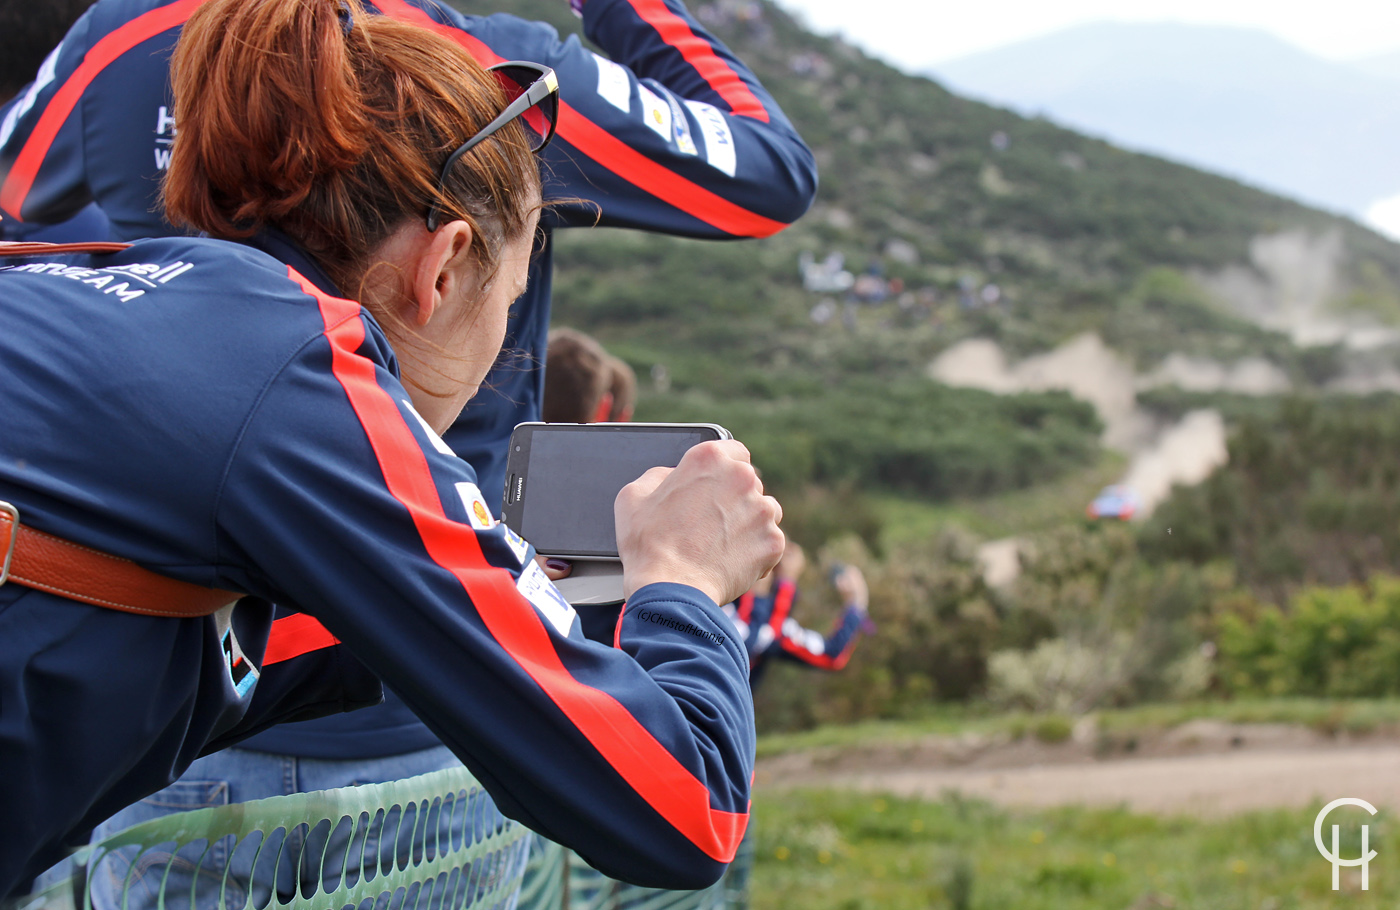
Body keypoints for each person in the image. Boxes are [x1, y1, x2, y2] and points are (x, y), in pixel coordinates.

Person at [0, 0, 786, 900]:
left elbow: (236, 639)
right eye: (513, 292)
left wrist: (496, 592)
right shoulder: (300, 373)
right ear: (443, 269)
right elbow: (689, 813)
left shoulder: (65, 275)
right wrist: (681, 578)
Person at [725, 541, 869, 688]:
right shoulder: (719, 600)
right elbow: (753, 639)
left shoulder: (774, 621)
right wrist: (786, 586)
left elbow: (831, 654)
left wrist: (856, 603)